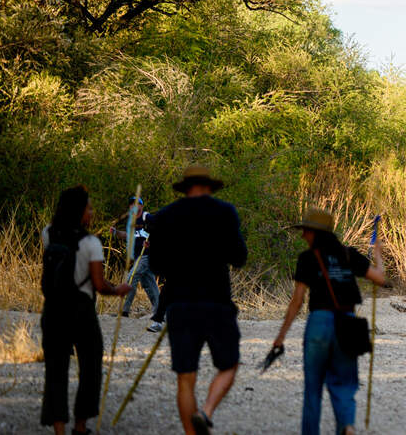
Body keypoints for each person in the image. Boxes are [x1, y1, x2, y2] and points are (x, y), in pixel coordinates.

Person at [148, 165, 248, 435]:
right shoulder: (225, 212)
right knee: (230, 364)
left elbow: (155, 264)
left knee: (185, 378)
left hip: (180, 305)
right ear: (209, 187)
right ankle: (206, 410)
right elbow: (239, 257)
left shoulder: (165, 216)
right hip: (216, 302)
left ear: (186, 186)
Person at [272, 208, 387, 435]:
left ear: (316, 233)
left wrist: (281, 335)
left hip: (318, 323)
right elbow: (380, 278)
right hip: (347, 323)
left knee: (312, 389)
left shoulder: (307, 258)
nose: (303, 235)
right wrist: (378, 254)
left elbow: (297, 301)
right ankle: (346, 425)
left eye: (306, 230)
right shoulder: (348, 254)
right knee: (344, 385)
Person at [40, 186, 132, 435]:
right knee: (90, 366)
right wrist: (119, 289)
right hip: (81, 311)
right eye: (89, 208)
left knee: (55, 370)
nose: (91, 213)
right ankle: (80, 426)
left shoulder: (47, 233)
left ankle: (59, 428)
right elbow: (100, 285)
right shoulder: (91, 243)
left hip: (53, 309)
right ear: (80, 212)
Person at [113, 196, 159, 320]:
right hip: (140, 256)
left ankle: (124, 311)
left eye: (137, 204)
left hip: (147, 255)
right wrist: (116, 232)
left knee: (131, 277)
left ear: (141, 206)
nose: (134, 206)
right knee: (149, 283)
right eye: (131, 204)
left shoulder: (146, 217)